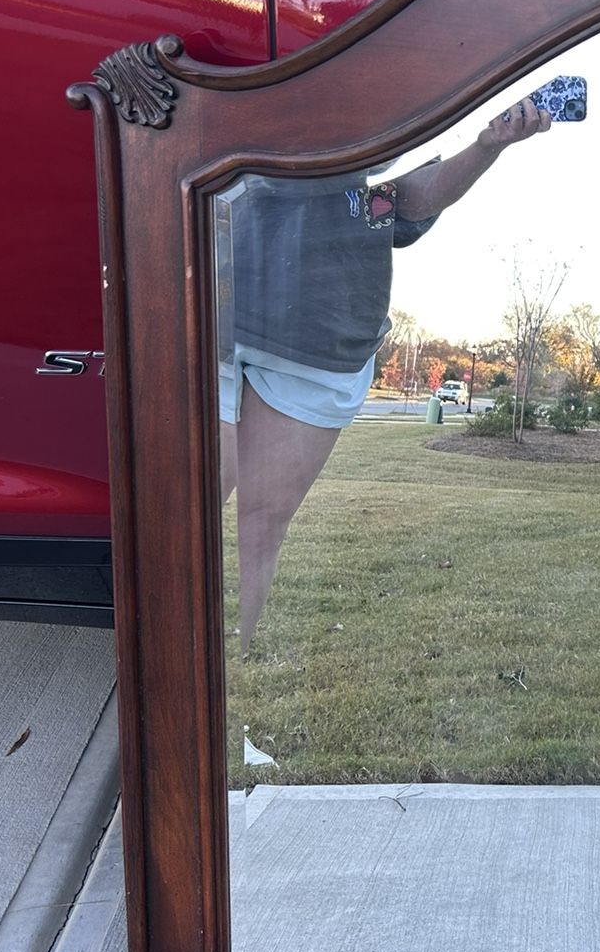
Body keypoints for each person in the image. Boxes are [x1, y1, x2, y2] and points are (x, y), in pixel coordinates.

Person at [218, 95, 550, 646]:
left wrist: (490, 144)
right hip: (215, 317)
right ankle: (169, 664)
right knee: (182, 514)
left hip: (316, 346)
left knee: (261, 525)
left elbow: (404, 201)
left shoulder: (373, 133)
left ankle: (235, 666)